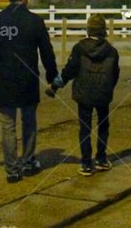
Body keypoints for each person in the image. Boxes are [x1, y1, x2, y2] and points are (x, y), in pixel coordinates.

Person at [0, 0, 58, 182]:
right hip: (28, 78)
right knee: (28, 121)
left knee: (8, 125)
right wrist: (52, 76)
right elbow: (47, 52)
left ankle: (12, 169)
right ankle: (28, 162)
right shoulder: (35, 21)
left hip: (5, 78)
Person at [48, 14, 120, 176]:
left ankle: (86, 163)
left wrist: (54, 86)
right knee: (103, 126)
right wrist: (108, 88)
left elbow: (69, 71)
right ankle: (101, 158)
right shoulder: (112, 51)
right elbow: (115, 74)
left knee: (84, 127)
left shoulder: (79, 48)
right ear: (103, 31)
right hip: (102, 93)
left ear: (88, 30)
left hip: (84, 93)